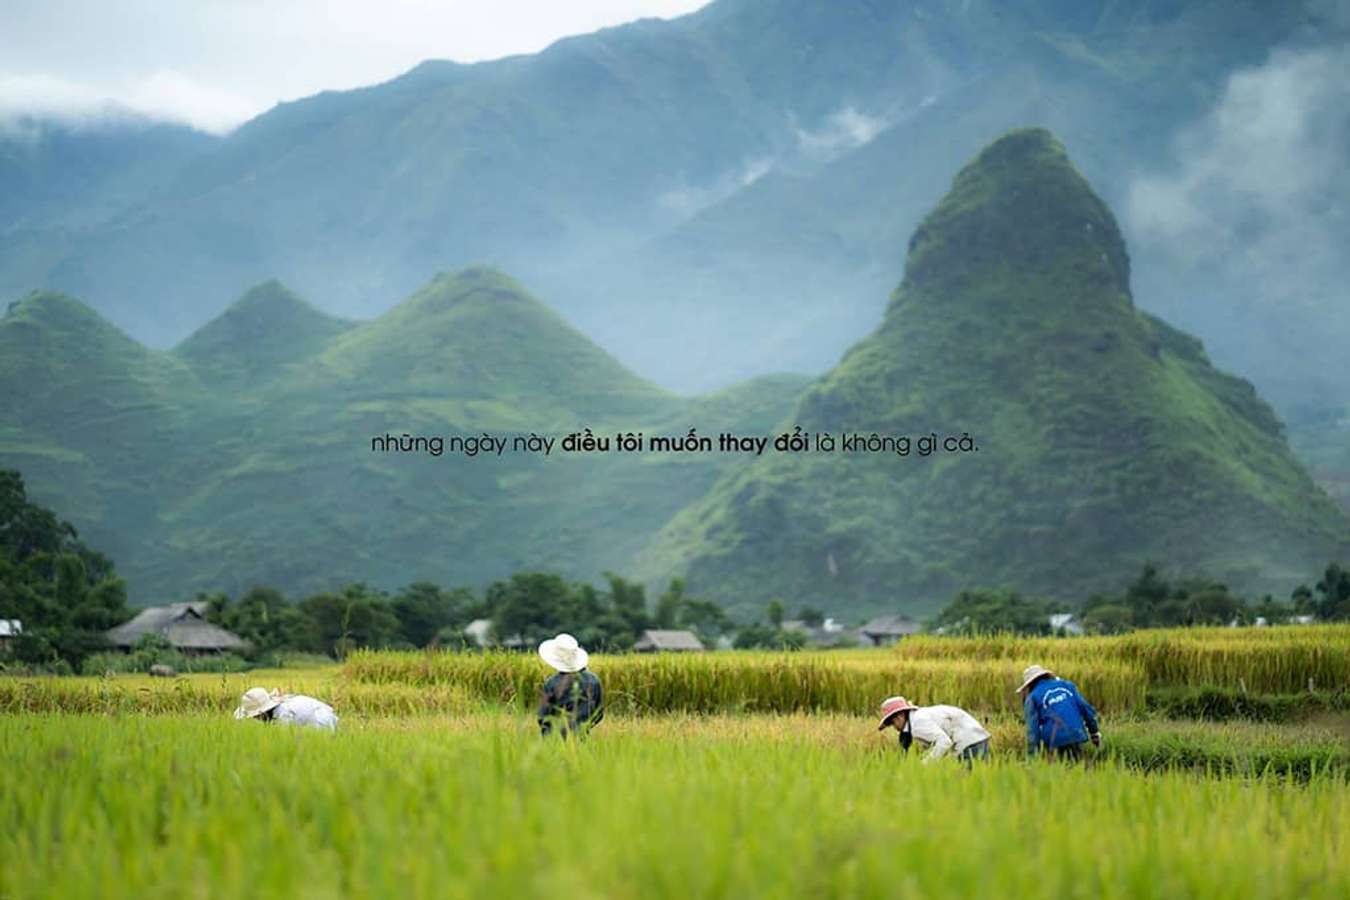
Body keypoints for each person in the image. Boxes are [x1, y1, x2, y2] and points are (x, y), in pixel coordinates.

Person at [877, 695, 991, 765]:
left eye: (892, 723)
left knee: (968, 784)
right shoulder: (916, 719)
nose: (894, 727)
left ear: (900, 716)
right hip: (975, 738)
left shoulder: (918, 723)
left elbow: (945, 742)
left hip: (970, 741)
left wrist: (926, 763)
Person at [1017, 664, 1100, 760]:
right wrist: (1094, 733)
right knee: (1079, 769)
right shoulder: (1067, 686)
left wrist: (1032, 757)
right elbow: (1086, 709)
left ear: (1029, 684)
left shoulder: (1032, 697)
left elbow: (1032, 731)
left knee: (1059, 771)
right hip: (1076, 734)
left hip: (1054, 741)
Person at [536, 633, 604, 739]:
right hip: (582, 737)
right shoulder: (594, 681)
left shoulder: (551, 683)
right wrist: (583, 728)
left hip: (553, 739)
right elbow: (598, 714)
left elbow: (542, 716)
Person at [233, 687, 339, 731]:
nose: (255, 718)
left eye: (255, 716)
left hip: (322, 720)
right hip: (322, 715)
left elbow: (289, 740)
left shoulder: (283, 715)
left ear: (262, 712)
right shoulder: (277, 711)